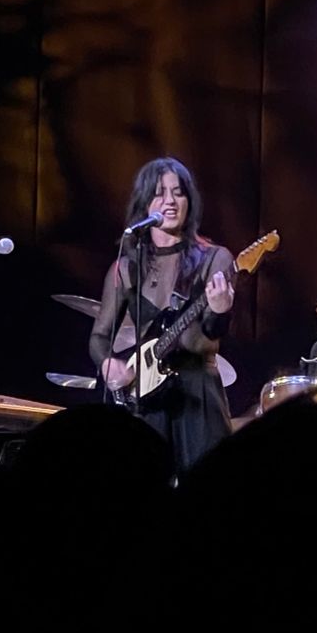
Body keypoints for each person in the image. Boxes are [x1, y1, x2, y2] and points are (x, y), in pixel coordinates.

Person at [89, 156, 235, 472]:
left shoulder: (214, 259)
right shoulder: (126, 267)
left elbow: (213, 331)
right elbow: (100, 336)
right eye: (159, 193)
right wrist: (108, 364)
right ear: (144, 203)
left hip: (198, 391)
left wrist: (221, 311)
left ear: (189, 202)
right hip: (146, 395)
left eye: (178, 192)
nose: (170, 201)